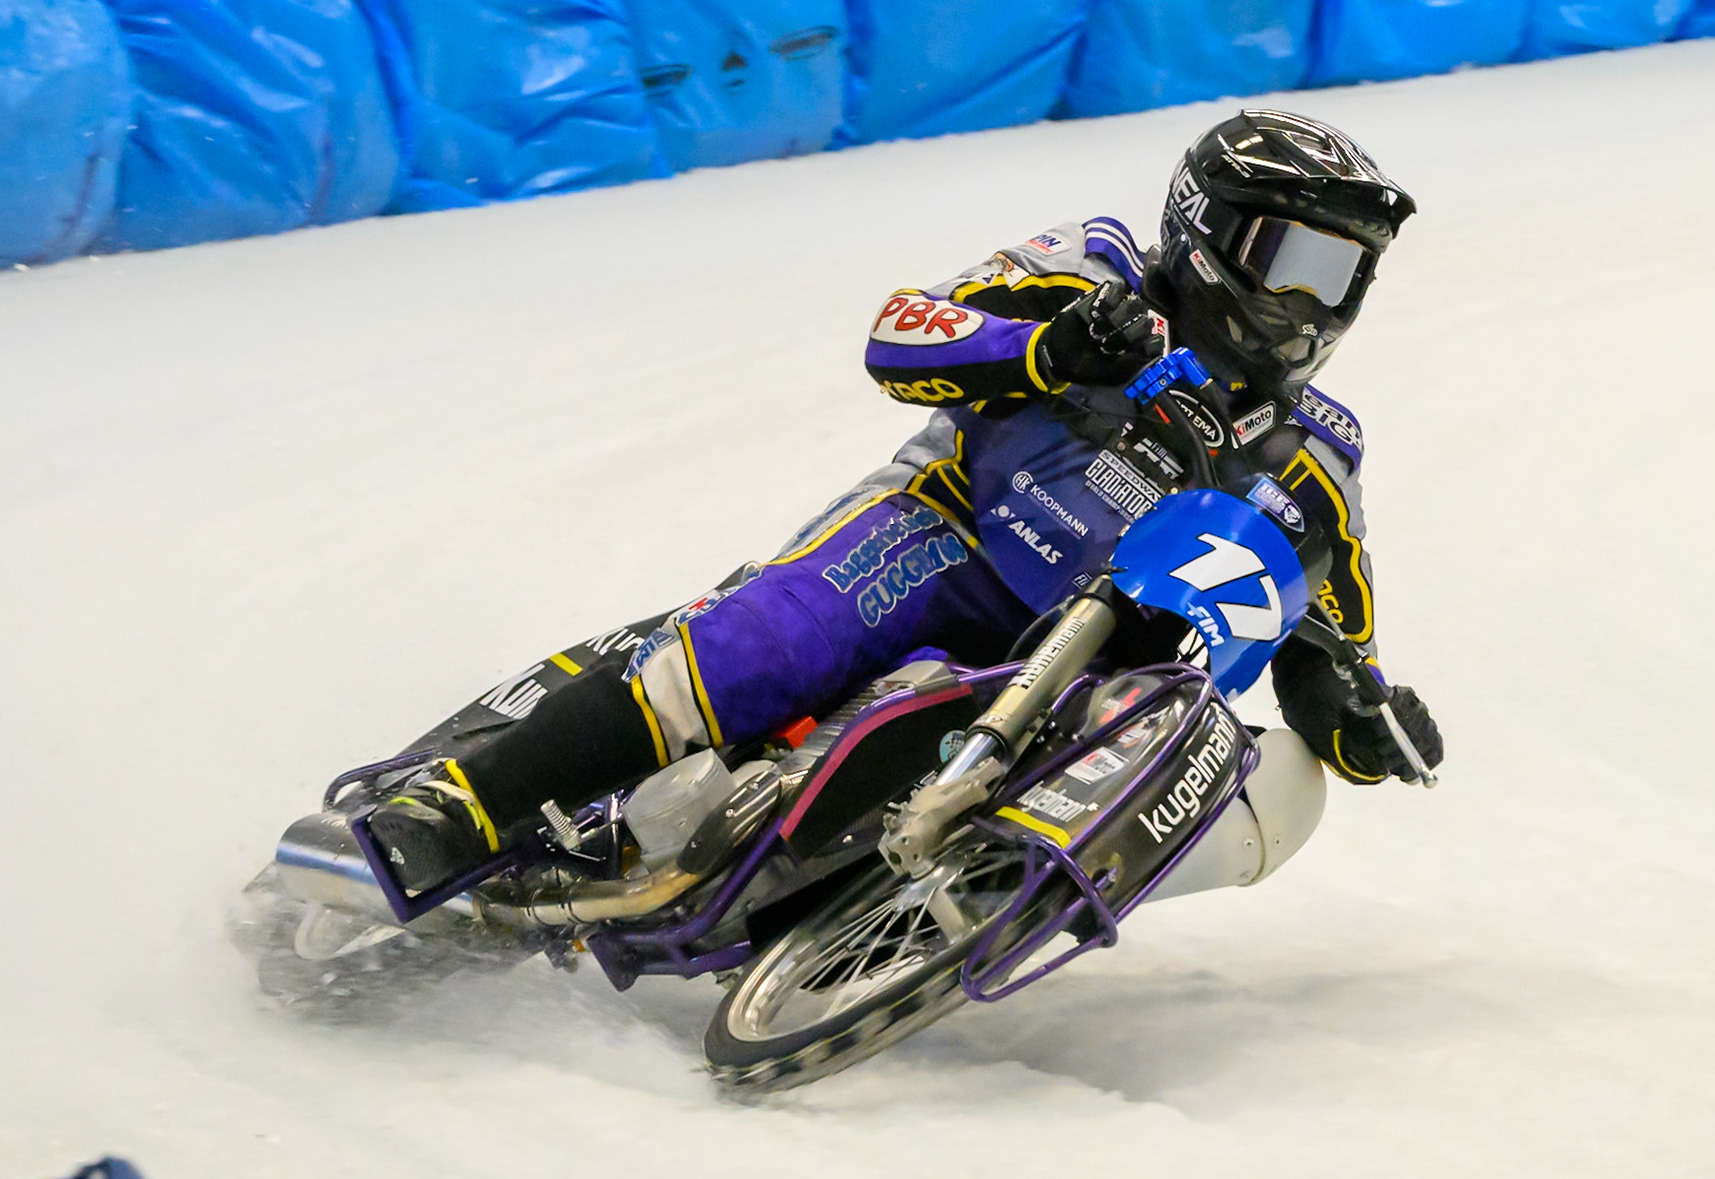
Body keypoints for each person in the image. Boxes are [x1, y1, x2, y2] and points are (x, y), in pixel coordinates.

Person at [368, 110, 1445, 892]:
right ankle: (459, 804)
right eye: (1294, 262)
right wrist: (1050, 347)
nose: (1313, 302)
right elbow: (905, 331)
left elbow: (1325, 636)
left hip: (1082, 659)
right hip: (947, 529)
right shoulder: (1097, 265)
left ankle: (944, 903)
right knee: (764, 649)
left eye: (1341, 275)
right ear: (1208, 229)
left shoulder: (1318, 456)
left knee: (1214, 754)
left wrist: (1362, 721)